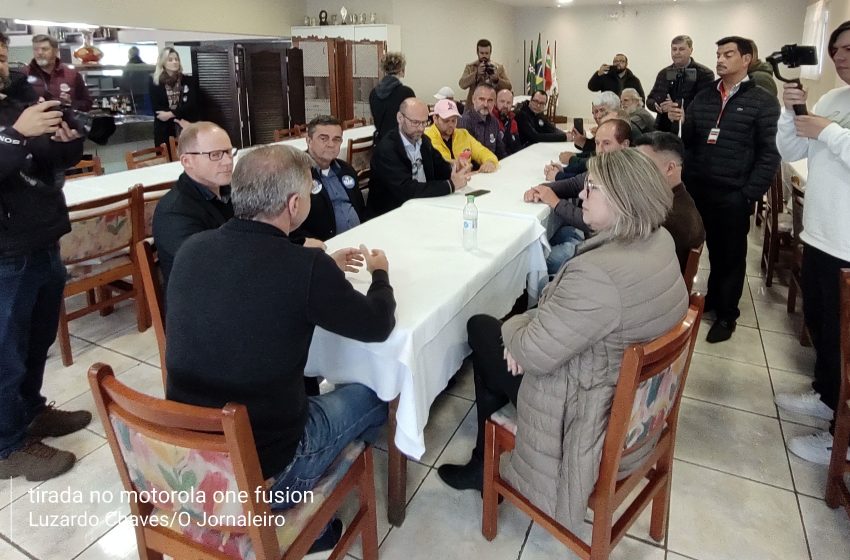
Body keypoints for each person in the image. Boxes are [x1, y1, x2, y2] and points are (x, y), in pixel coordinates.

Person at [437, 149, 689, 532]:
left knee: (483, 328)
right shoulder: (661, 240)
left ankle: (483, 463)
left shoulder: (598, 275)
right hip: (635, 403)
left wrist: (516, 331)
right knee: (507, 344)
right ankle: (482, 460)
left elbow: (534, 352)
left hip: (587, 414)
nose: (582, 196)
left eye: (592, 189)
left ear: (623, 200)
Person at [165, 144, 396, 555]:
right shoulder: (304, 267)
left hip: (187, 447)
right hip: (270, 465)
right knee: (377, 391)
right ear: (294, 204)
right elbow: (378, 326)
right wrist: (381, 275)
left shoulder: (191, 249)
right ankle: (297, 519)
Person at [0, 31, 92, 482]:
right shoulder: (15, 118)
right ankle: (5, 446)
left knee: (37, 341)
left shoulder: (18, 101)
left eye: (1, 56)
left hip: (42, 239)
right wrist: (17, 136)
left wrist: (68, 140)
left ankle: (30, 411)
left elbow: (45, 161)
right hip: (4, 253)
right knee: (5, 351)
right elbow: (12, 151)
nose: (1, 65)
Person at [773, 21, 850, 466]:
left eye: (848, 49)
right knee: (822, 326)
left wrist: (828, 131)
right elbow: (792, 151)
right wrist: (792, 112)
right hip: (821, 236)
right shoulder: (833, 100)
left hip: (848, 246)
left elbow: (829, 140)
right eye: (835, 49)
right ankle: (825, 398)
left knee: (848, 345)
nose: (840, 57)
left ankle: (841, 437)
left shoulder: (833, 117)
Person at [669, 36, 780, 343]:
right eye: (718, 53)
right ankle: (708, 301)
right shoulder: (704, 95)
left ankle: (727, 314)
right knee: (688, 247)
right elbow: (688, 141)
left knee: (728, 255)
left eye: (728, 54)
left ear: (747, 59)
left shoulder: (762, 100)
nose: (719, 59)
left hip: (732, 193)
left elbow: (770, 152)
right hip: (696, 189)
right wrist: (681, 120)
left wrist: (749, 194)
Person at [526, 119, 632, 273]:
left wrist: (554, 202)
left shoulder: (624, 175)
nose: (600, 150)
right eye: (597, 143)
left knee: (537, 259)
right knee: (555, 234)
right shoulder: (605, 166)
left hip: (608, 250)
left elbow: (592, 221)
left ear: (625, 145)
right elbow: (575, 184)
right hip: (598, 239)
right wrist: (541, 189)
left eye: (607, 144)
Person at [152, 122, 235, 290]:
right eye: (215, 154)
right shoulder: (174, 212)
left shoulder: (232, 191)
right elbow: (204, 267)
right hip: (200, 301)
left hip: (233, 282)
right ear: (187, 161)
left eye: (228, 152)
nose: (227, 161)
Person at [368, 98, 471, 216]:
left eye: (424, 122)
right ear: (400, 118)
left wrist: (455, 168)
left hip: (423, 206)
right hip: (391, 214)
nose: (421, 128)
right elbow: (407, 190)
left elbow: (440, 167)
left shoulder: (424, 141)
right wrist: (451, 185)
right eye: (415, 123)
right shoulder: (387, 150)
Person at [634, 132, 706, 272]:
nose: (636, 172)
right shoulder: (675, 199)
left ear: (670, 168)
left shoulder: (671, 218)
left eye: (644, 165)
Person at [294, 115, 367, 241]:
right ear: (309, 140)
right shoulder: (296, 174)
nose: (331, 144)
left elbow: (360, 208)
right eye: (324, 139)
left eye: (336, 139)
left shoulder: (346, 170)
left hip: (359, 238)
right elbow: (289, 225)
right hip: (324, 248)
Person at [646, 35, 715, 133]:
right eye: (674, 49)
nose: (677, 53)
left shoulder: (704, 74)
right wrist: (658, 106)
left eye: (681, 49)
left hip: (690, 131)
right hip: (663, 130)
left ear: (691, 50)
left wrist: (675, 107)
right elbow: (650, 100)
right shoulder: (664, 73)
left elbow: (704, 104)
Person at [425, 99, 498, 172]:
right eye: (446, 121)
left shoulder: (463, 134)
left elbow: (481, 151)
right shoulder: (426, 138)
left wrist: (490, 161)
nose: (451, 125)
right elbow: (434, 165)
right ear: (435, 118)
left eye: (454, 120)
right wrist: (454, 164)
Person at [24, 34, 92, 111]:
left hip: (65, 121)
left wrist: (71, 103)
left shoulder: (72, 75)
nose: (39, 53)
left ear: (56, 51)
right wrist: (32, 104)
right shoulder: (23, 75)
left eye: (44, 49)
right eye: (35, 49)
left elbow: (87, 104)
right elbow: (13, 106)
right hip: (35, 122)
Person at [149, 47, 198, 148]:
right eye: (170, 60)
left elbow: (191, 104)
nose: (175, 62)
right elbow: (158, 110)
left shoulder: (187, 80)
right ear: (163, 62)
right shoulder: (155, 81)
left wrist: (172, 114)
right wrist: (173, 114)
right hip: (164, 128)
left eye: (176, 59)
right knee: (166, 157)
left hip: (184, 124)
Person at [370, 52, 415, 142]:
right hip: (401, 145)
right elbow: (413, 121)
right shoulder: (407, 93)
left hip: (381, 144)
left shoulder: (373, 93)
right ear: (402, 70)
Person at [458, 39, 512, 106]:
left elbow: (509, 86)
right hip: (472, 108)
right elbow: (462, 84)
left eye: (487, 53)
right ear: (477, 53)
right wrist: (476, 74)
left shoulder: (498, 68)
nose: (484, 56)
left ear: (490, 53)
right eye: (482, 53)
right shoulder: (470, 67)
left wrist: (497, 80)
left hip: (491, 107)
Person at [459, 83, 504, 159]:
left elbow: (500, 151)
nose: (485, 104)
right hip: (476, 169)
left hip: (493, 166)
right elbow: (466, 157)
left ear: (494, 102)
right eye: (482, 99)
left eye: (490, 100)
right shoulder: (465, 122)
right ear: (473, 99)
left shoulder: (494, 122)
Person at [493, 88, 521, 155]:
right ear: (495, 102)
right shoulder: (490, 120)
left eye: (508, 103)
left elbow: (517, 146)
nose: (505, 105)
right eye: (502, 101)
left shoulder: (513, 122)